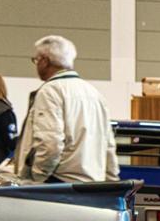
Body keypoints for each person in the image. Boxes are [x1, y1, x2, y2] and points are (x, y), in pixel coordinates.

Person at [10, 35, 118, 183]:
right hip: (92, 186)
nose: (36, 64)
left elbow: (50, 144)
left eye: (36, 60)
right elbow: (109, 145)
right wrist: (111, 183)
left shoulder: (50, 91)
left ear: (44, 60)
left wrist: (37, 178)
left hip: (60, 184)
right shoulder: (95, 94)